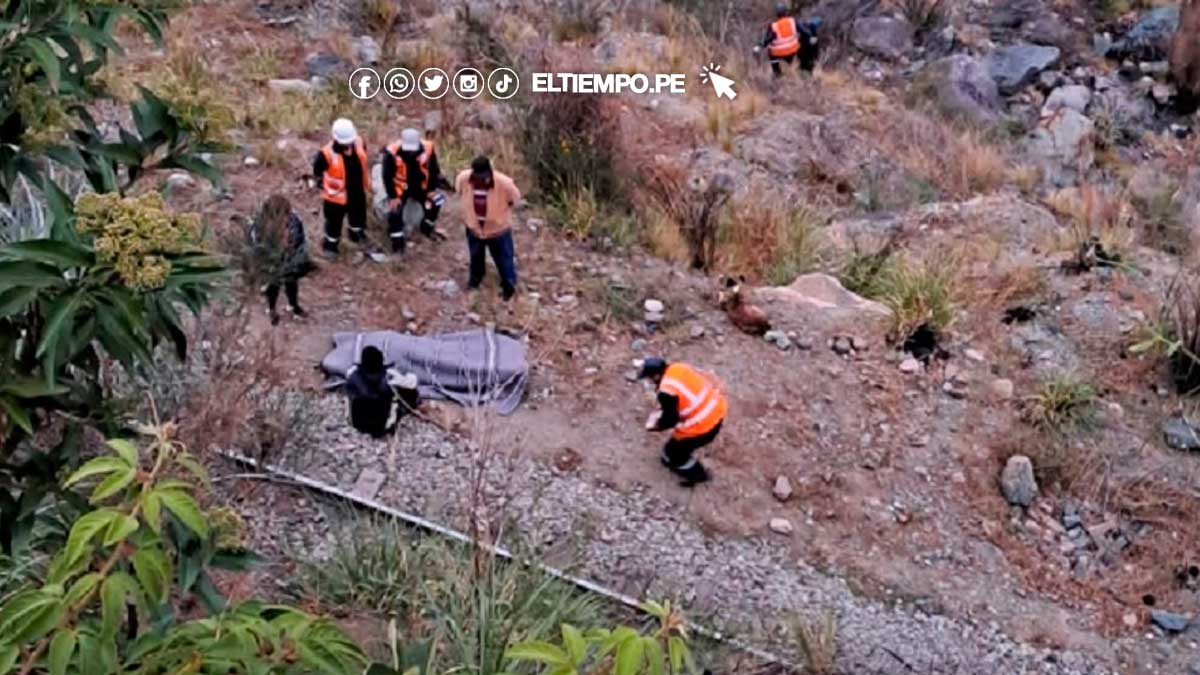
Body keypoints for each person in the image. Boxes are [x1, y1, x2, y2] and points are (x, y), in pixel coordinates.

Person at [638, 357, 727, 487]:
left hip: (702, 428)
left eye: (650, 378)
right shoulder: (678, 368)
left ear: (656, 376)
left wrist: (656, 425)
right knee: (674, 449)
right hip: (717, 410)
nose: (650, 381)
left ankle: (698, 475)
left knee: (674, 454)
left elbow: (670, 420)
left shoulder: (666, 392)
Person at [455, 155, 522, 301]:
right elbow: (460, 192)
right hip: (474, 228)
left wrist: (498, 216)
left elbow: (515, 200)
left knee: (504, 259)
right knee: (476, 258)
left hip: (498, 231)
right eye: (477, 176)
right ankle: (475, 282)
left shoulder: (504, 183)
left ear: (489, 172)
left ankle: (509, 287)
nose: (480, 179)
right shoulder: (463, 179)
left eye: (483, 176)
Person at [382, 128, 451, 253]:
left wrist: (431, 189)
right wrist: (393, 196)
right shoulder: (391, 152)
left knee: (437, 201)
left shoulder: (428, 148)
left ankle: (427, 227)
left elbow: (434, 170)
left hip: (421, 186)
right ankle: (397, 244)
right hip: (401, 187)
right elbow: (387, 176)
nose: (410, 153)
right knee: (394, 212)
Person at [249, 195, 312, 326]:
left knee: (292, 285)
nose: (285, 218)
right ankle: (272, 309)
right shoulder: (259, 227)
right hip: (272, 264)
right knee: (273, 287)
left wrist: (294, 254)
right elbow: (256, 247)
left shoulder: (294, 222)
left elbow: (300, 241)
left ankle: (294, 305)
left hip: (290, 262)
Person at [313, 118, 370, 257]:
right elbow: (317, 170)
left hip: (356, 191)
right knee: (334, 224)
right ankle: (330, 247)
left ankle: (356, 235)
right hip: (335, 198)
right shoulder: (326, 154)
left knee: (358, 217)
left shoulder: (359, 142)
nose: (348, 144)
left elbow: (364, 156)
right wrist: (322, 183)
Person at [345, 346, 421, 438]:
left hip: (356, 423)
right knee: (409, 393)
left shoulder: (353, 375)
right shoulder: (388, 378)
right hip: (382, 426)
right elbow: (413, 383)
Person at [759, 3, 821, 77]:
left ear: (777, 14)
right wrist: (812, 38)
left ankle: (777, 73)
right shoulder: (793, 21)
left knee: (770, 50)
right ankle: (801, 68)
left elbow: (767, 40)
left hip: (779, 53)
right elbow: (804, 32)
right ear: (786, 12)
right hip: (793, 51)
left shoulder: (773, 26)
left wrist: (760, 45)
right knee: (801, 44)